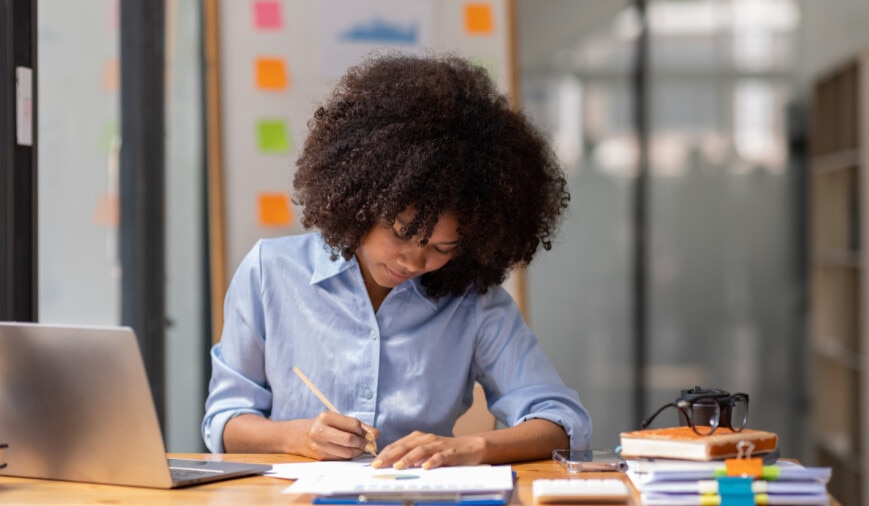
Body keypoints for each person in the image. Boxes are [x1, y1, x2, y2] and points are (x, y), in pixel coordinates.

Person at [202, 52, 592, 470]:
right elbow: (224, 421)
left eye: (443, 248)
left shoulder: (473, 302)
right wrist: (296, 437)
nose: (415, 260)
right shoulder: (270, 272)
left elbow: (564, 423)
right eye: (402, 233)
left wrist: (473, 447)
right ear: (362, 201)